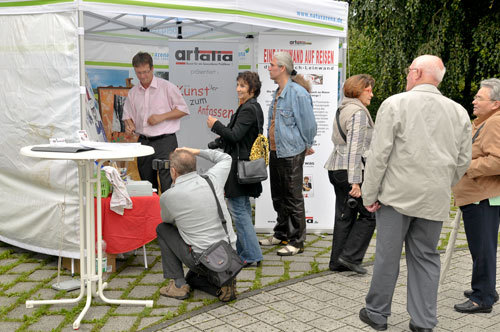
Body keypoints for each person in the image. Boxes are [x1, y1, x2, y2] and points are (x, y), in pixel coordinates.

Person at [359, 55, 471, 332]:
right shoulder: (459, 112)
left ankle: (377, 313)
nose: (407, 76)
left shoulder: (395, 104)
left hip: (396, 196)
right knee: (426, 257)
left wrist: (369, 194)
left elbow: (378, 156)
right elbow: (462, 161)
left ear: (417, 73)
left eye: (409, 71)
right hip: (434, 198)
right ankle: (423, 321)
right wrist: (444, 183)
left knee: (387, 255)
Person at [156, 148, 238, 302]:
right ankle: (222, 281)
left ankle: (179, 286)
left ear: (173, 171)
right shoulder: (212, 178)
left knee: (163, 229)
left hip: (202, 259)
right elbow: (226, 157)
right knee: (193, 279)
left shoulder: (169, 196)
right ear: (194, 166)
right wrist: (197, 151)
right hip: (230, 255)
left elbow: (167, 221)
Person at [258, 51, 317, 256]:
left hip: (291, 152)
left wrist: (306, 144)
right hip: (276, 150)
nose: (269, 68)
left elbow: (309, 125)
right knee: (279, 196)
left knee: (292, 197)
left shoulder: (298, 93)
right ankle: (281, 233)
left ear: (282, 68)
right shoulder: (277, 92)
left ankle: (297, 241)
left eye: (272, 65)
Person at [206, 71, 264, 267]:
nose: (238, 89)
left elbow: (236, 135)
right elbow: (237, 136)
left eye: (243, 86)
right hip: (243, 166)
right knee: (243, 210)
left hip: (240, 168)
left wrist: (216, 125)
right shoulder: (248, 107)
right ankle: (244, 252)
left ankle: (252, 255)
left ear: (252, 89)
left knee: (239, 211)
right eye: (237, 85)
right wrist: (218, 142)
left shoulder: (249, 109)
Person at [452, 78, 500, 314]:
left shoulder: (494, 124)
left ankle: (482, 298)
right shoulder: (484, 122)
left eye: (480, 98)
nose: (474, 100)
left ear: (495, 103)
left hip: (482, 197)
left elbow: (497, 160)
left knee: (483, 248)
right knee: (481, 247)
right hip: (477, 196)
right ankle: (486, 289)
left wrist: (465, 166)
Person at [324, 74, 376, 274]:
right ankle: (351, 257)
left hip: (337, 168)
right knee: (369, 214)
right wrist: (356, 182)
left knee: (344, 215)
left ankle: (337, 261)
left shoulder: (343, 109)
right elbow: (355, 149)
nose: (372, 94)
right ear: (357, 91)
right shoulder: (358, 113)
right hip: (350, 171)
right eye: (368, 90)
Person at [123, 52, 189, 193]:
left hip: (165, 142)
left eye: (145, 72)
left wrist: (162, 117)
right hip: (144, 142)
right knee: (147, 185)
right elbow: (127, 115)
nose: (142, 76)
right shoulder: (133, 92)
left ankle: (168, 215)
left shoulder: (167, 87)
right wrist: (129, 125)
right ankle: (152, 214)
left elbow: (183, 110)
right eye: (138, 73)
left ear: (152, 69)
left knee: (168, 184)